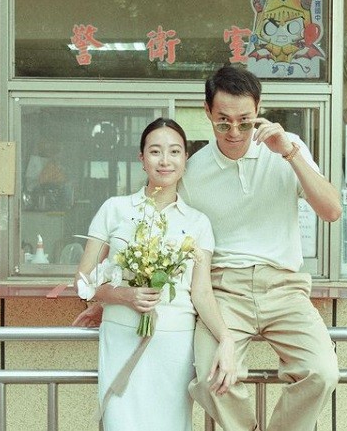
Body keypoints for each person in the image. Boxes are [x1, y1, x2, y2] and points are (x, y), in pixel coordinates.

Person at [178, 66, 342, 431]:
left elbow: (332, 210)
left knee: (322, 371)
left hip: (284, 288)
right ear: (207, 111)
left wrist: (289, 153)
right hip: (224, 291)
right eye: (223, 122)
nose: (235, 132)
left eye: (245, 121)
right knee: (209, 377)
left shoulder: (288, 147)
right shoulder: (192, 172)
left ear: (259, 109)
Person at [72, 117, 237, 431]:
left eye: (174, 152)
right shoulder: (115, 209)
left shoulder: (198, 222)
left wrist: (226, 338)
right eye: (155, 151)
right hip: (121, 336)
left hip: (175, 343)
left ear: (185, 159)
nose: (165, 160)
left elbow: (202, 293)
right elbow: (83, 279)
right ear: (142, 158)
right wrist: (123, 295)